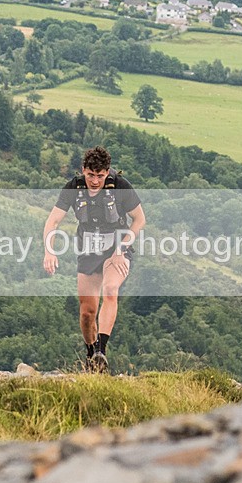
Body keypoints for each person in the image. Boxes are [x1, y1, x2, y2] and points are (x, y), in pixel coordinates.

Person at [42, 146, 146, 374]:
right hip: (88, 249)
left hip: (117, 248)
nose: (95, 181)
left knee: (110, 290)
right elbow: (53, 222)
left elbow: (139, 220)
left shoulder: (120, 186)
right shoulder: (74, 187)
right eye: (91, 175)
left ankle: (101, 351)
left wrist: (122, 247)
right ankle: (91, 355)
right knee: (87, 311)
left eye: (100, 176)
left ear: (107, 172)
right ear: (83, 170)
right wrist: (50, 251)